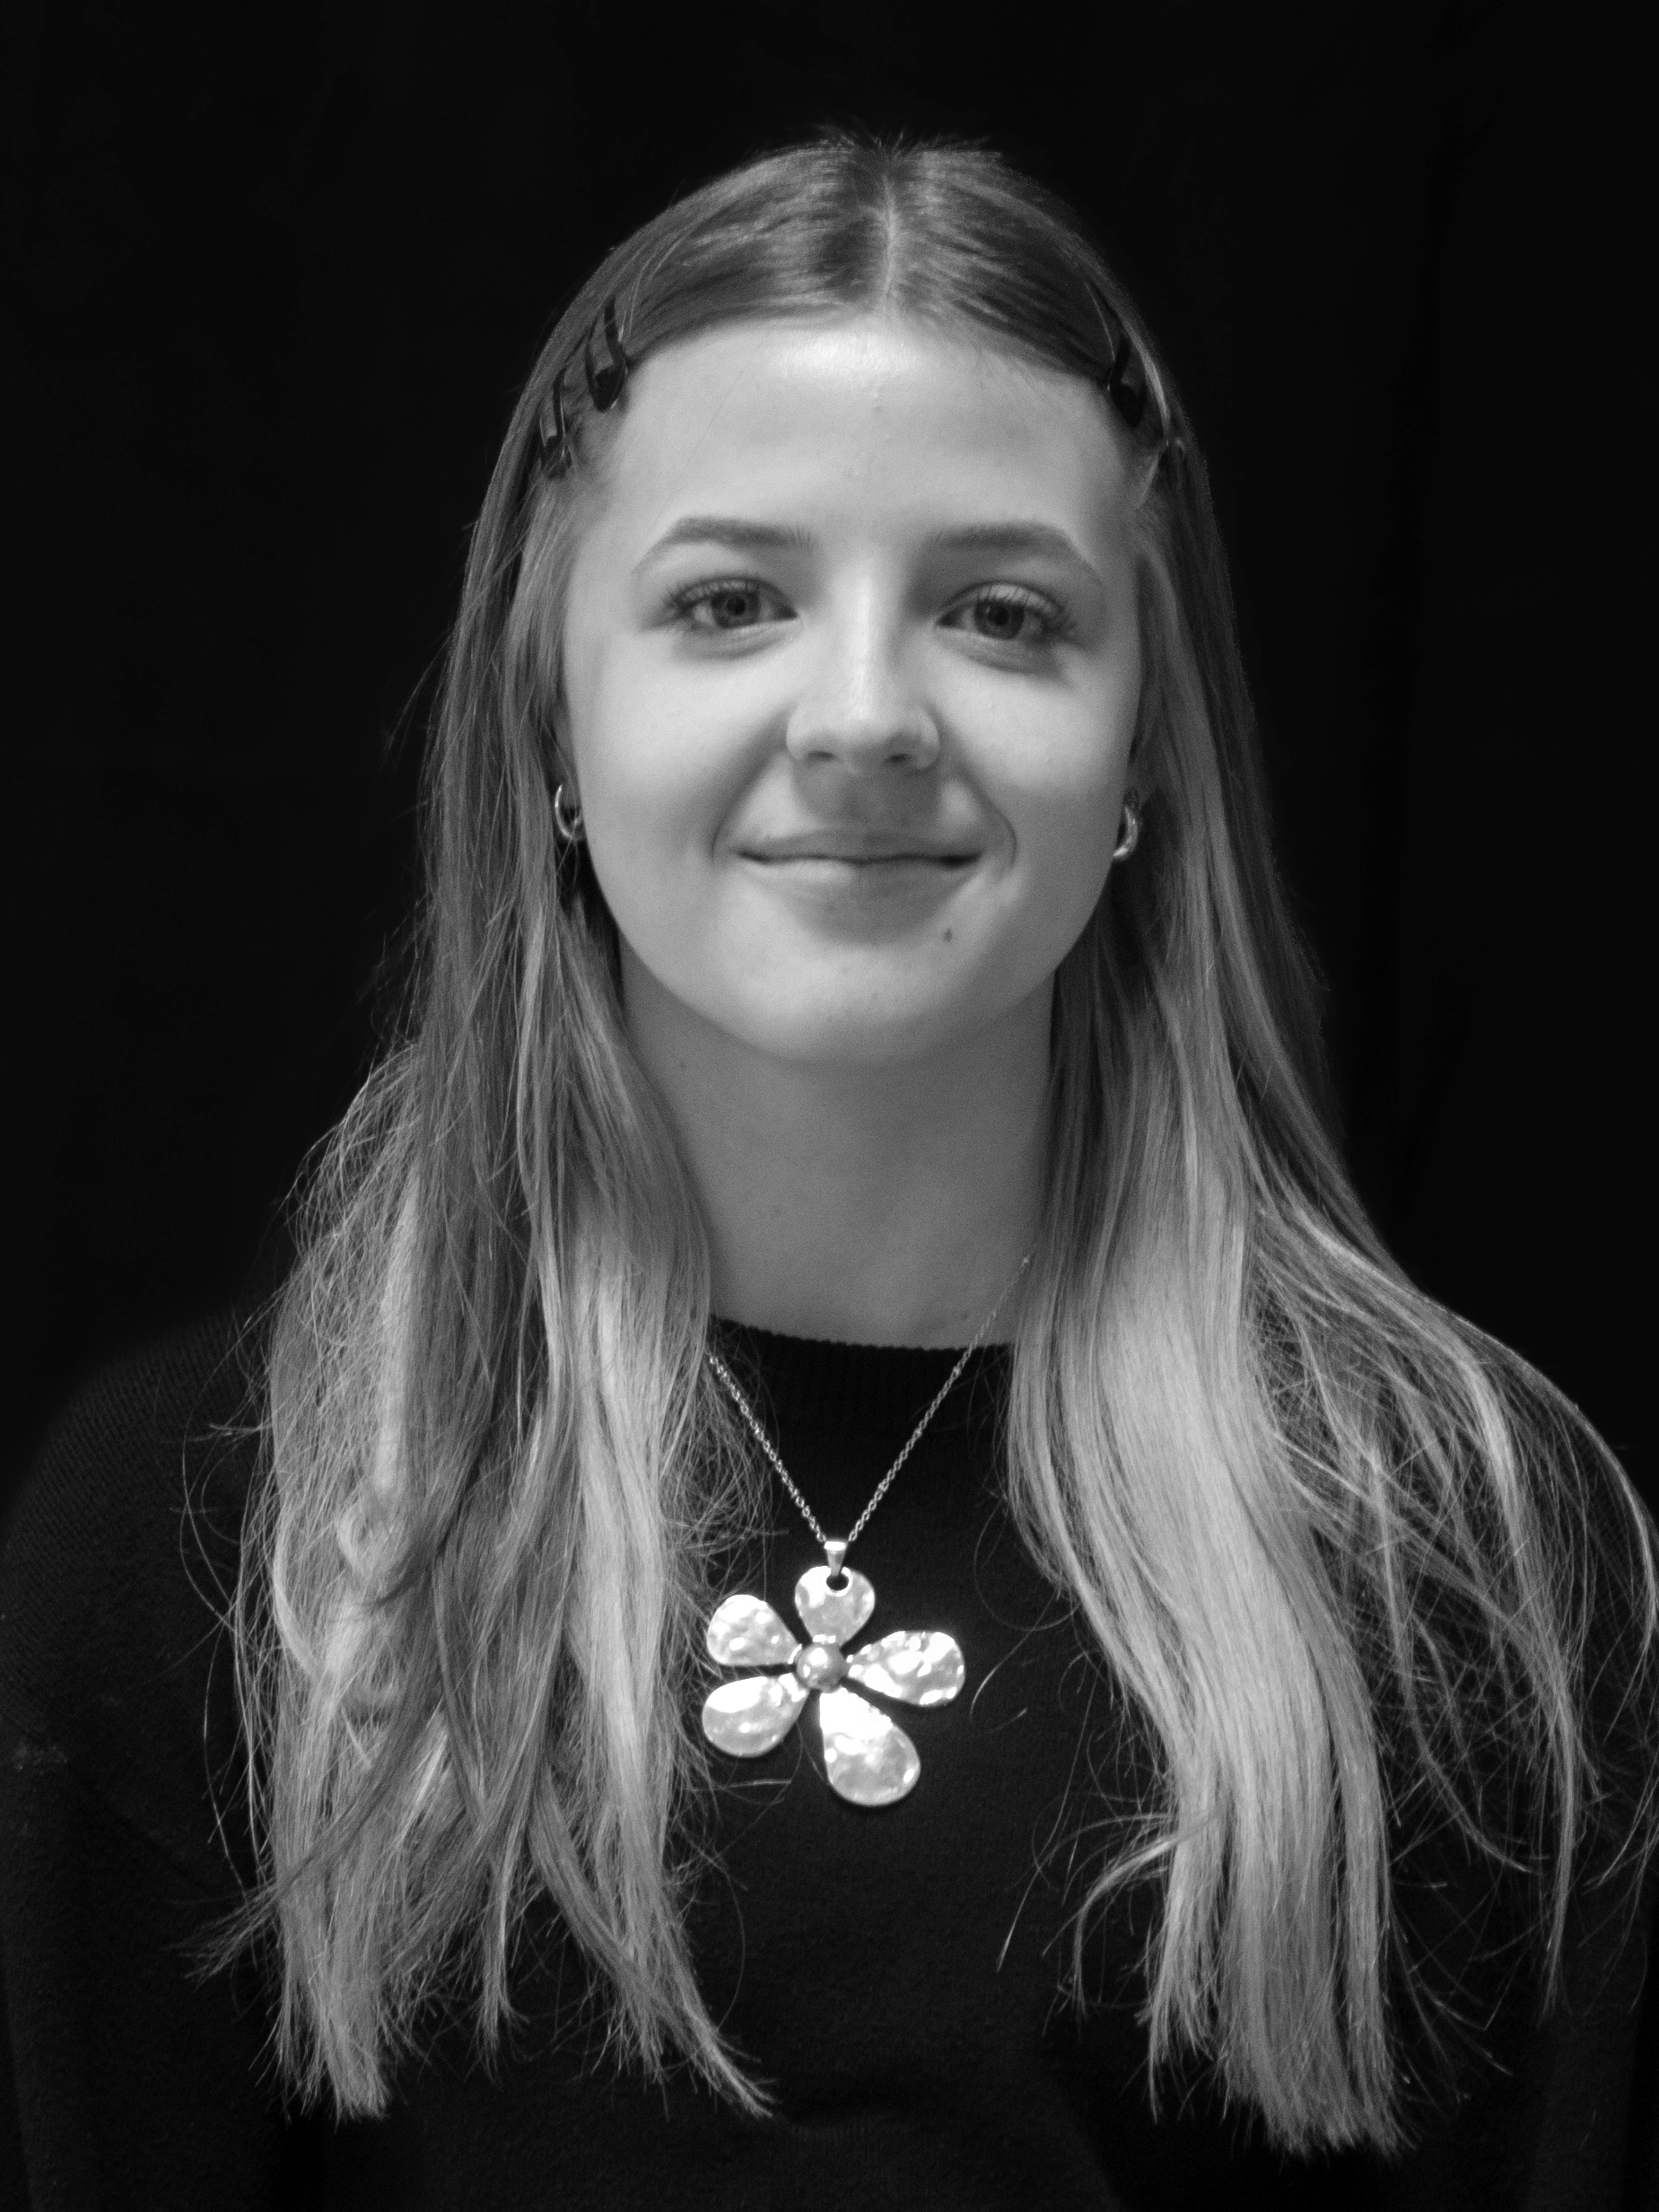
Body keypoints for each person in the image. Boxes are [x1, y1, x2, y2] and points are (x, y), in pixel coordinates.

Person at [2, 129, 1655, 2210]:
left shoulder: (1455, 1554)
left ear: (1143, 738)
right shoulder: (201, 1535)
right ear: (551, 715)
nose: (866, 711)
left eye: (999, 610)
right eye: (728, 600)